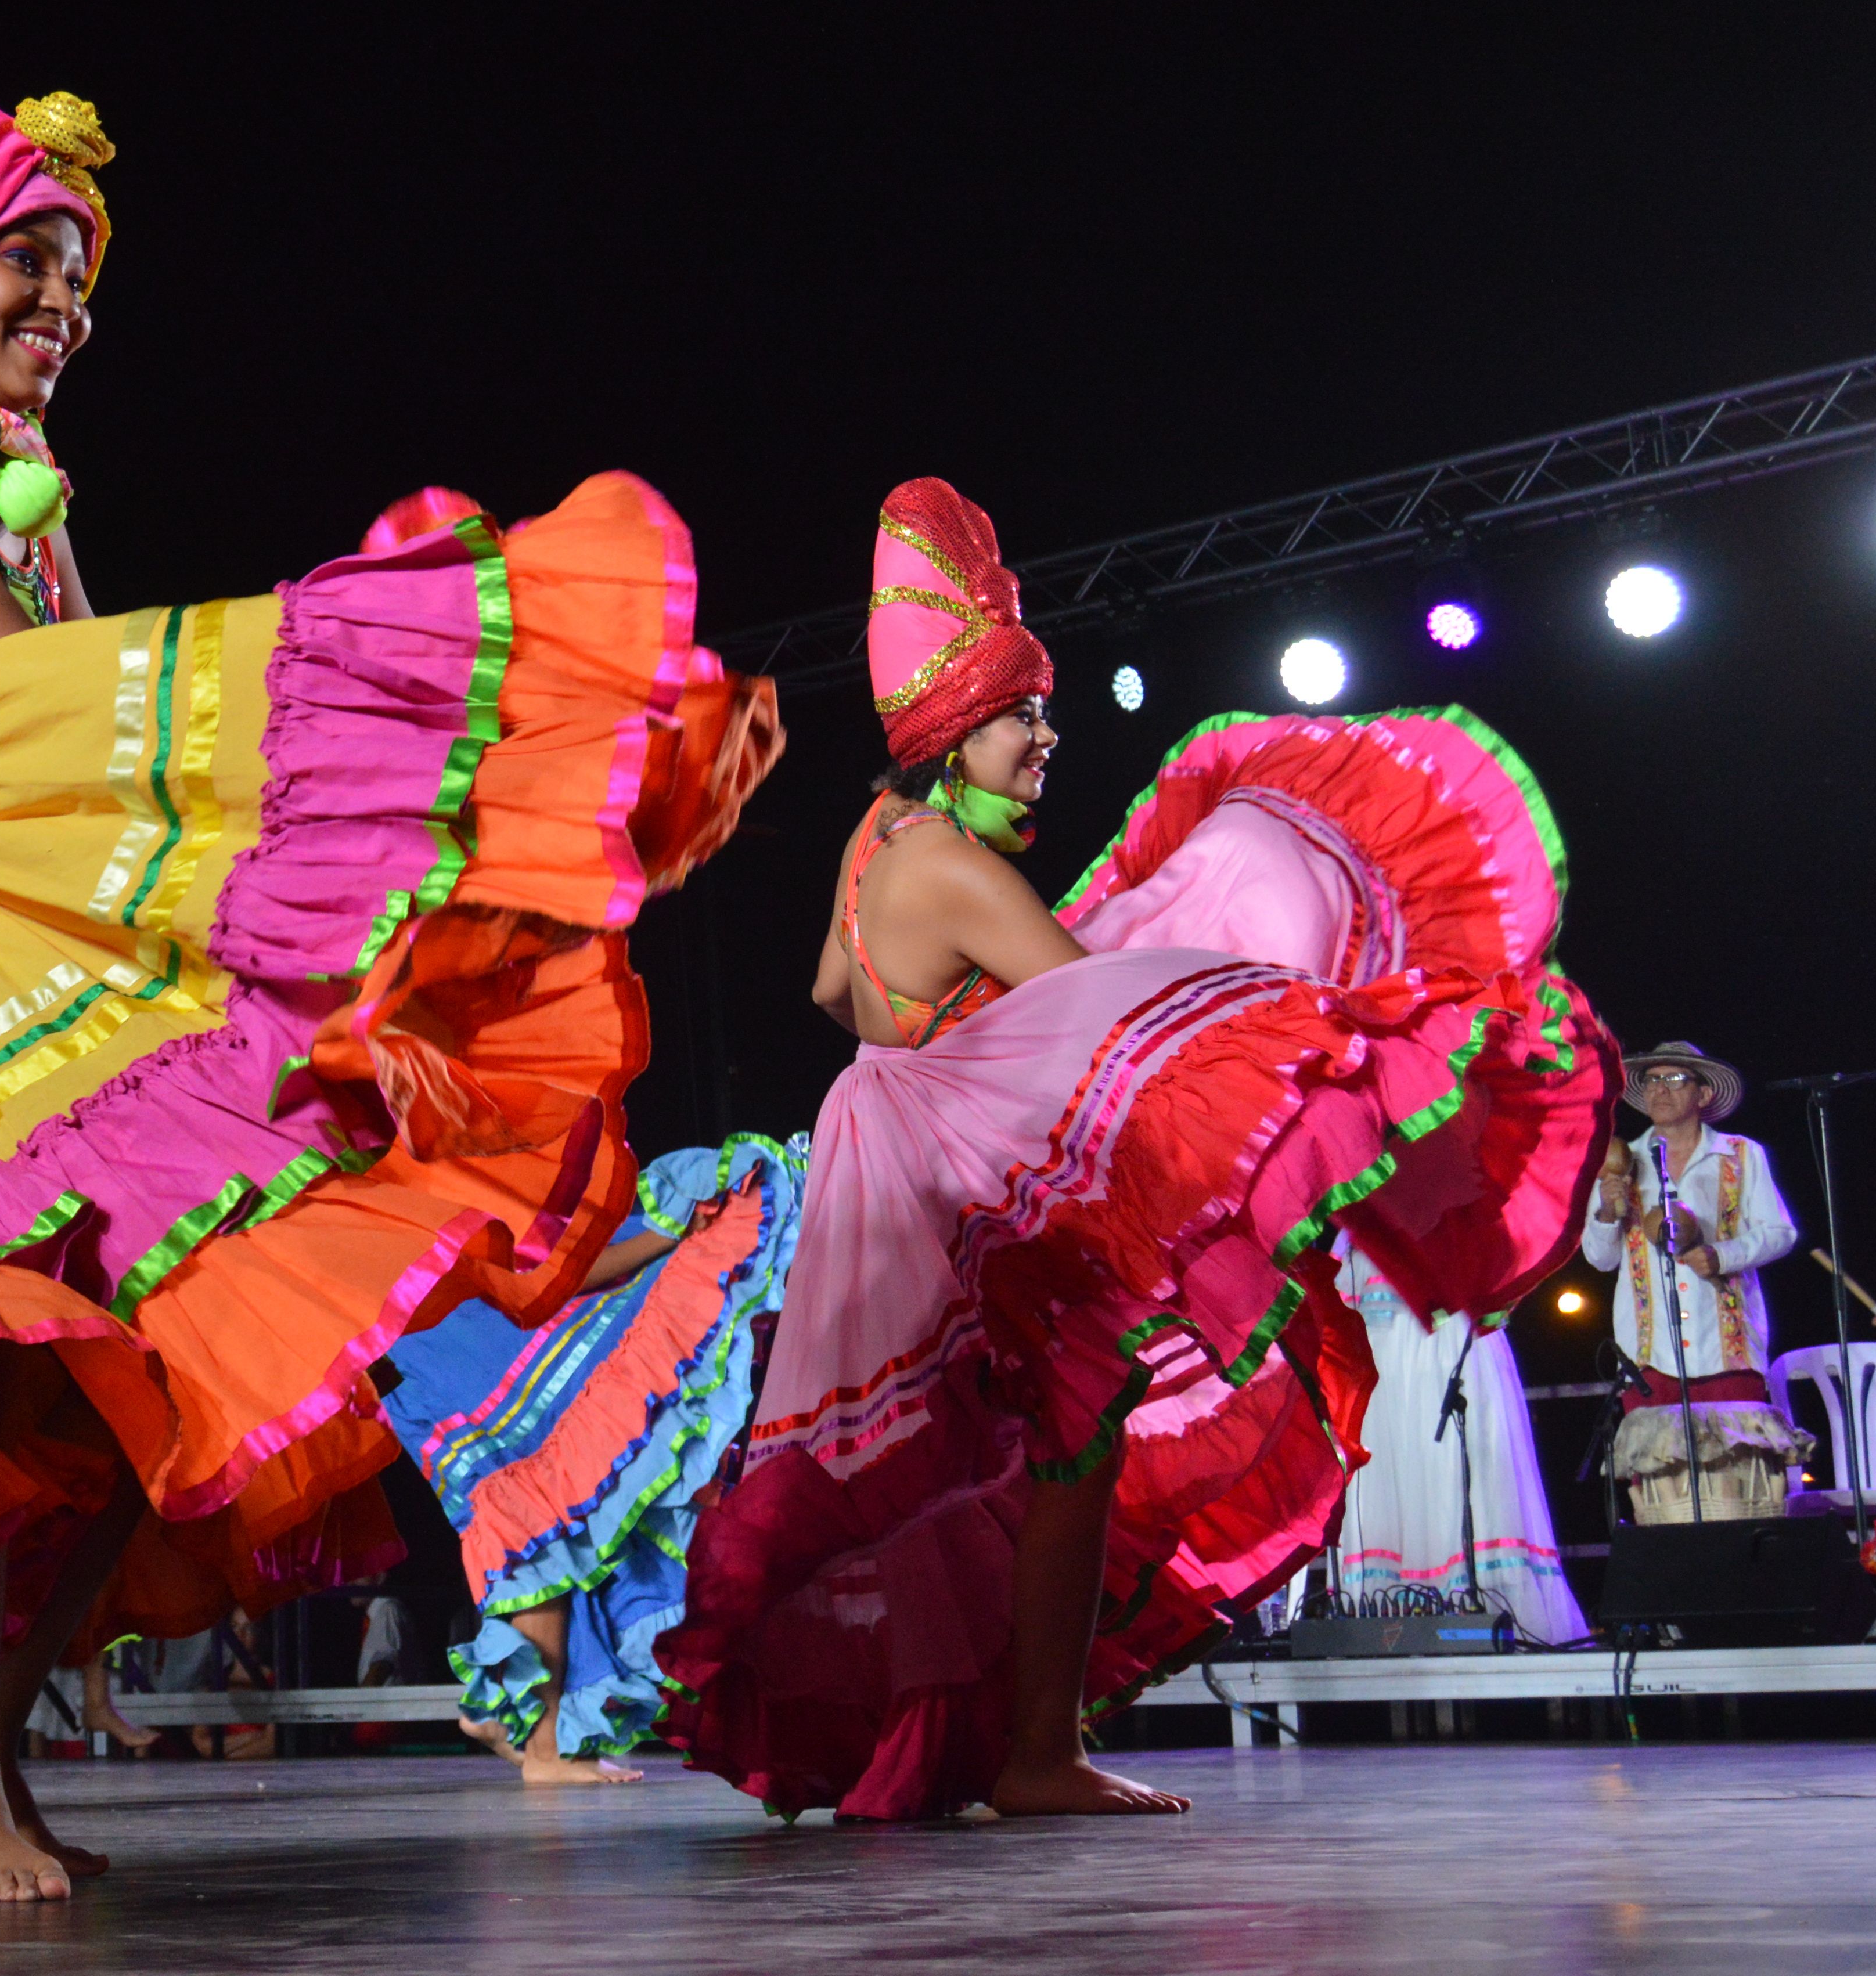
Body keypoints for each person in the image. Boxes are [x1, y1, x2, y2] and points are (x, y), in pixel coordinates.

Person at [0, 11, 776, 1899]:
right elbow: (39, 706)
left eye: (76, 275)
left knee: (108, 1334)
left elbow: (93, 759)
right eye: (23, 263)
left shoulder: (10, 491)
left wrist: (365, 945)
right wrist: (381, 746)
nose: (62, 306)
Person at [658, 479, 1613, 1823]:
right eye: (1020, 714)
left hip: (900, 1172)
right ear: (949, 733)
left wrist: (922, 1045)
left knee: (988, 1461)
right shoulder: (944, 858)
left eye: (1037, 708)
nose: (1044, 735)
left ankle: (969, 1743)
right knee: (1068, 1451)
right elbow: (1107, 1014)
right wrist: (1312, 1022)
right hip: (952, 1188)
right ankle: (1035, 1755)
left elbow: (829, 988)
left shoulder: (874, 839)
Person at [380, 1130, 808, 1784]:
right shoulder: (419, 1203)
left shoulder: (428, 1197)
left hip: (462, 1350)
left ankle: (533, 1726)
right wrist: (667, 1236)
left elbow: (549, 1277)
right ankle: (544, 1743)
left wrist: (664, 1237)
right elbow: (546, 1284)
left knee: (564, 1527)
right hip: (463, 1354)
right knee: (540, 1525)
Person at [1578, 1043, 1806, 1517]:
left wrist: (1722, 1256)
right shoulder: (1621, 1158)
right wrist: (1604, 1208)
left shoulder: (1741, 1155)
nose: (1660, 1089)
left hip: (1727, 1344)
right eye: (1653, 1080)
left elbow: (1781, 1232)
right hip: (1651, 1351)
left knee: (1740, 1486)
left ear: (1703, 1095)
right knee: (1666, 1494)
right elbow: (1600, 1260)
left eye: (1675, 1080)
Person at [1328, 1241, 1590, 1644]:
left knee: (1461, 1474)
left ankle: (1483, 1612)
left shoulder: (1456, 1188)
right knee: (1397, 1477)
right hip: (1384, 1352)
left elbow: (1508, 1253)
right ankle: (1394, 1619)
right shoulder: (1359, 1199)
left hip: (1451, 1339)